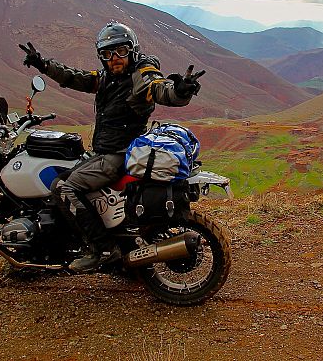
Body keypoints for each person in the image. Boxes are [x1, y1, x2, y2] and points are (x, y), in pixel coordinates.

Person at [19, 21, 204, 272]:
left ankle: (103, 249)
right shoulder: (107, 78)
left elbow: (159, 89)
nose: (114, 58)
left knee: (62, 187)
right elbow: (75, 77)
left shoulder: (141, 75)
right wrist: (44, 65)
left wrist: (180, 92)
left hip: (117, 155)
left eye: (121, 51)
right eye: (107, 54)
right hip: (106, 151)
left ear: (132, 50)